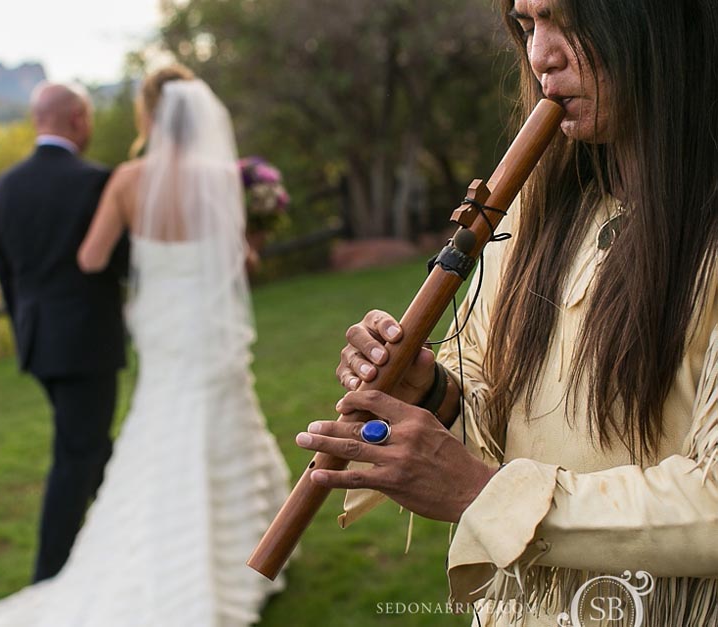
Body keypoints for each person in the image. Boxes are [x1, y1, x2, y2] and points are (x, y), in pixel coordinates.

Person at [295, 0, 718, 625]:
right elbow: (502, 415)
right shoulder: (528, 210)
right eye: (527, 26)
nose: (541, 55)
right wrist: (433, 393)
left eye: (570, 23)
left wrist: (484, 495)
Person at [0, 66, 290, 626]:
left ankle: (153, 548)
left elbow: (91, 258)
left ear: (148, 114)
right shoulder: (220, 179)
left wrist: (146, 258)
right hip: (208, 325)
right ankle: (249, 552)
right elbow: (240, 261)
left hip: (159, 328)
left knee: (157, 427)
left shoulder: (128, 180)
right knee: (220, 421)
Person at [0, 81, 129, 583]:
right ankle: (48, 577)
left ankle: (131, 532)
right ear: (77, 120)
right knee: (76, 455)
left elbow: (6, 276)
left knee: (91, 445)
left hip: (37, 344)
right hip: (87, 344)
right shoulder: (96, 182)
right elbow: (120, 263)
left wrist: (25, 332)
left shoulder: (5, 186)